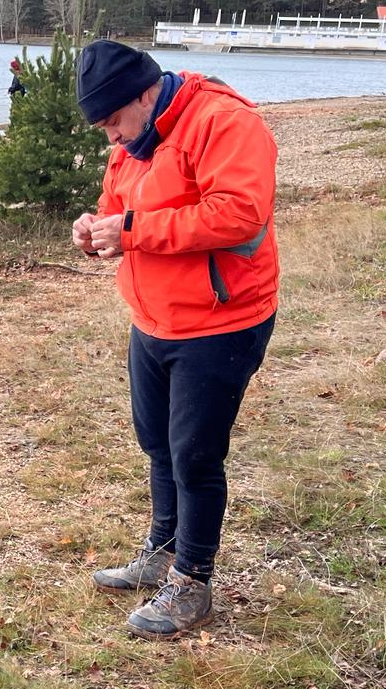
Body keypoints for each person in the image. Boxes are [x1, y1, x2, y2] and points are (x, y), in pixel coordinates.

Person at [69, 41, 278, 640]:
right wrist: (96, 230)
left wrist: (132, 229)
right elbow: (117, 208)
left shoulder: (224, 122)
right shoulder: (133, 142)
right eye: (101, 125)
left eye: (112, 120)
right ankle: (160, 551)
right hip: (154, 318)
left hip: (222, 319)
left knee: (194, 453)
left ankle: (192, 581)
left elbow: (240, 214)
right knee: (156, 441)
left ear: (144, 92)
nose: (109, 136)